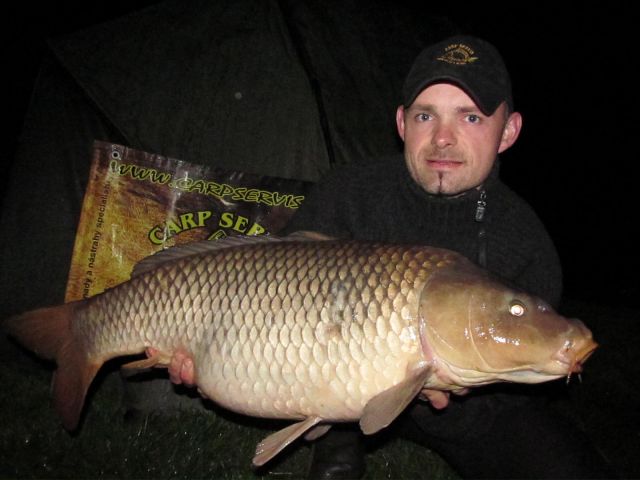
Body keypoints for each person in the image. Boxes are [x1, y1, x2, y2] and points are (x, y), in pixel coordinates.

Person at [161, 35, 615, 479]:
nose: (443, 139)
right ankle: (337, 446)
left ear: (509, 131)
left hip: (464, 409)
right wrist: (200, 346)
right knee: (324, 370)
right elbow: (273, 288)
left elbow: (520, 381)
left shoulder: (525, 242)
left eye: (471, 118)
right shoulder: (351, 190)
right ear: (402, 124)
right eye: (425, 116)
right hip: (338, 385)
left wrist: (452, 391)